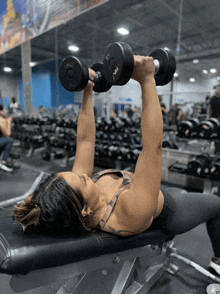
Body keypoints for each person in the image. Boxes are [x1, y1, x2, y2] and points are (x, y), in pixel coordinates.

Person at [13, 56, 220, 276]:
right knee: (217, 204)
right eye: (83, 179)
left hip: (152, 192)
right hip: (171, 211)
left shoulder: (81, 198)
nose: (82, 174)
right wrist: (147, 79)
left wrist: (88, 90)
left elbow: (84, 140)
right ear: (85, 209)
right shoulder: (129, 213)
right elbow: (152, 147)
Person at [207, 85, 220, 155]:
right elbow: (209, 108)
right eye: (217, 89)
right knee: (214, 134)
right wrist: (207, 117)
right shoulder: (212, 98)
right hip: (213, 119)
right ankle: (214, 149)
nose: (218, 90)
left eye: (219, 89)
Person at [0, 105, 14, 172]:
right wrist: (8, 123)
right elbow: (8, 134)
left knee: (4, 141)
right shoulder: (1, 120)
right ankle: (3, 162)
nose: (5, 111)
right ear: (1, 112)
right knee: (9, 140)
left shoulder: (2, 120)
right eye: (4, 110)